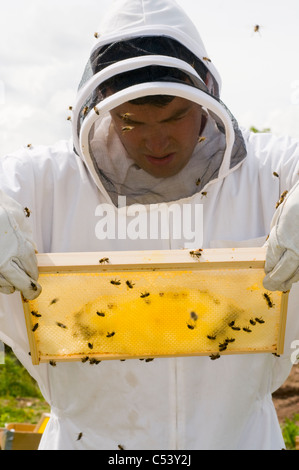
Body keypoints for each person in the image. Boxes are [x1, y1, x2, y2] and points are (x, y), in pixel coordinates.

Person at [0, 0, 299, 450]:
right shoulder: (45, 182)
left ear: (206, 99)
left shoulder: (267, 170)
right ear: (102, 109)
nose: (156, 140)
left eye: (176, 116)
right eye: (132, 122)